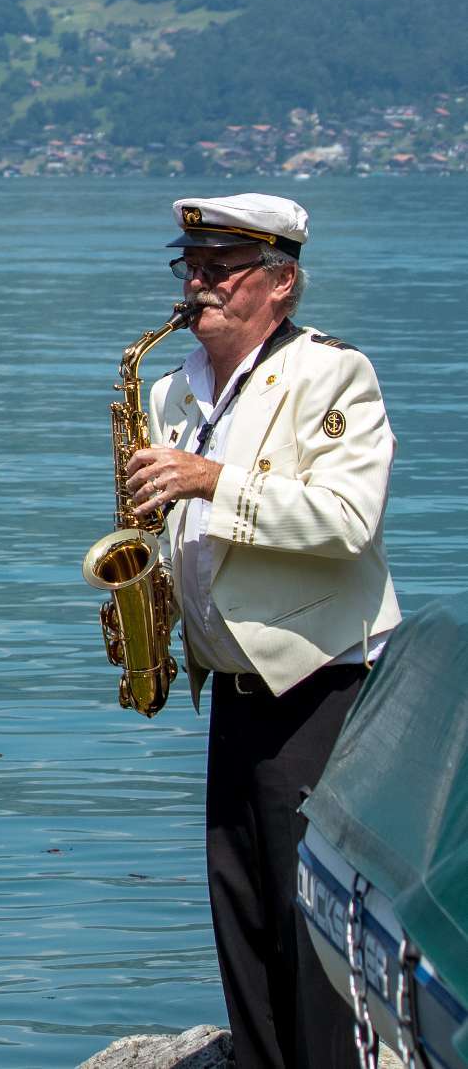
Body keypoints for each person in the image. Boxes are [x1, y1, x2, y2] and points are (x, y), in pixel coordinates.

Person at [124, 193, 397, 1069]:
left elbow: (348, 521)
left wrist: (211, 480)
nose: (196, 286)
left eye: (219, 270)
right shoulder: (169, 387)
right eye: (190, 267)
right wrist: (147, 600)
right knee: (239, 907)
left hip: (320, 682)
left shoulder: (332, 374)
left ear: (280, 283)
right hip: (234, 685)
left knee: (309, 920)